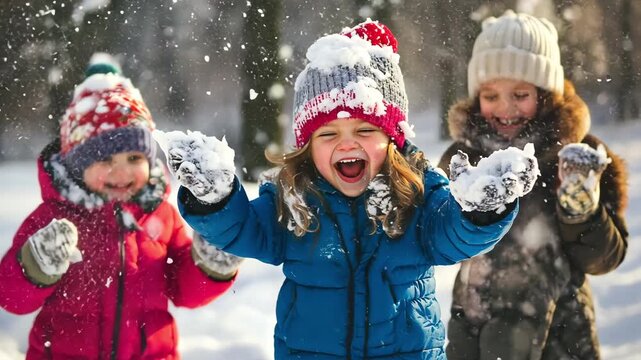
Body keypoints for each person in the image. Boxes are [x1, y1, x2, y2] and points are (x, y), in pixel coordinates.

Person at [154, 20, 540, 359]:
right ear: (308, 144)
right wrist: (217, 200)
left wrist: (481, 212)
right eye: (328, 134)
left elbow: (453, 235)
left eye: (365, 130)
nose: (347, 144)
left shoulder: (419, 193)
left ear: (393, 140)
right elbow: (246, 231)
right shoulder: (294, 197)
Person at [0, 54, 242, 359]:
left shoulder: (161, 216)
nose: (122, 172)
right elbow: (11, 297)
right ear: (77, 164)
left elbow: (185, 290)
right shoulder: (53, 217)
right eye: (104, 160)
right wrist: (35, 266)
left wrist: (210, 264)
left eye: (134, 159)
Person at [439, 10, 629, 360]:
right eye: (491, 95)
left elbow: (605, 259)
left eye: (520, 94)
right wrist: (466, 214)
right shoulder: (464, 158)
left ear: (545, 94)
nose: (505, 108)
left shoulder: (577, 156)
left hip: (560, 338)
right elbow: (441, 243)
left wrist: (581, 212)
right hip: (474, 332)